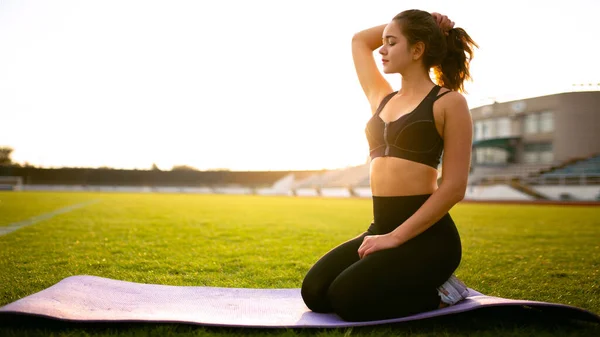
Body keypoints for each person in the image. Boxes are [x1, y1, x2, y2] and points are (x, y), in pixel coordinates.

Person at [300, 9, 478, 322]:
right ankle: (405, 275)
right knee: (315, 292)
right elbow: (359, 41)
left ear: (417, 49)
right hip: (380, 228)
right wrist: (425, 25)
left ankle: (443, 293)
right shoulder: (381, 97)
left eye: (392, 42)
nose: (381, 49)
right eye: (383, 42)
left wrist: (396, 238)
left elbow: (454, 187)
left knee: (347, 299)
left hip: (429, 240)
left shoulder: (449, 102)